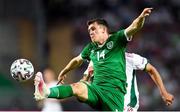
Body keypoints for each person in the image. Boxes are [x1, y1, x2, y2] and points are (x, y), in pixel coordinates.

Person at [34, 8, 153, 111]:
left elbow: (134, 26)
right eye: (89, 30)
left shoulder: (117, 39)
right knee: (78, 87)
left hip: (113, 94)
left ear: (103, 30)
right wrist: (64, 71)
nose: (90, 32)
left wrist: (141, 17)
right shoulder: (91, 48)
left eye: (93, 29)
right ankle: (46, 92)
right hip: (97, 89)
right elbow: (77, 60)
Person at [81, 53, 174, 111]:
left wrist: (163, 92)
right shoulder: (96, 62)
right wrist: (88, 77)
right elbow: (83, 83)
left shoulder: (130, 58)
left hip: (128, 106)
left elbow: (151, 69)